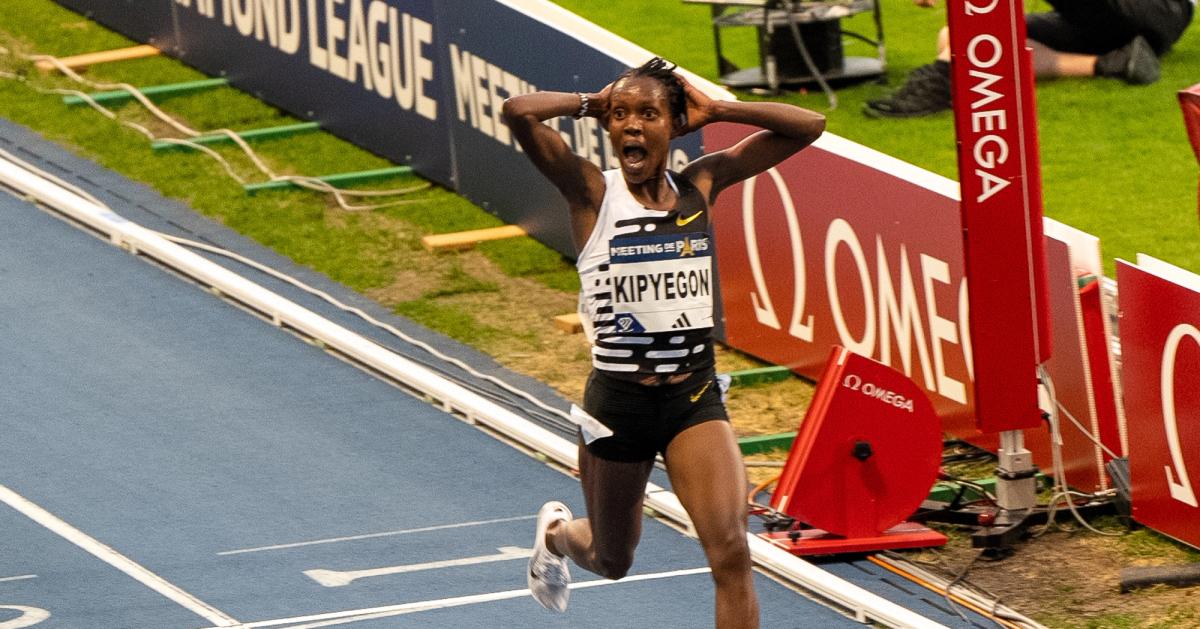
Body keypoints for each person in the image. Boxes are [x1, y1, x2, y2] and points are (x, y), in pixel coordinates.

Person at [501, 58, 824, 628]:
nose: (631, 125)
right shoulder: (592, 193)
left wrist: (721, 109)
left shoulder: (700, 184)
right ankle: (554, 535)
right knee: (611, 557)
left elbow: (808, 125)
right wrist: (588, 101)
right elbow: (518, 112)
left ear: (673, 126)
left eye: (648, 114)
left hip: (692, 399)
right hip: (619, 404)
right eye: (620, 115)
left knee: (732, 552)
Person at [866, 0, 1195, 118]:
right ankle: (1114, 63)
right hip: (1097, 23)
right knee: (956, 36)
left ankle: (943, 77)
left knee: (973, 39)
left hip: (1155, 9)